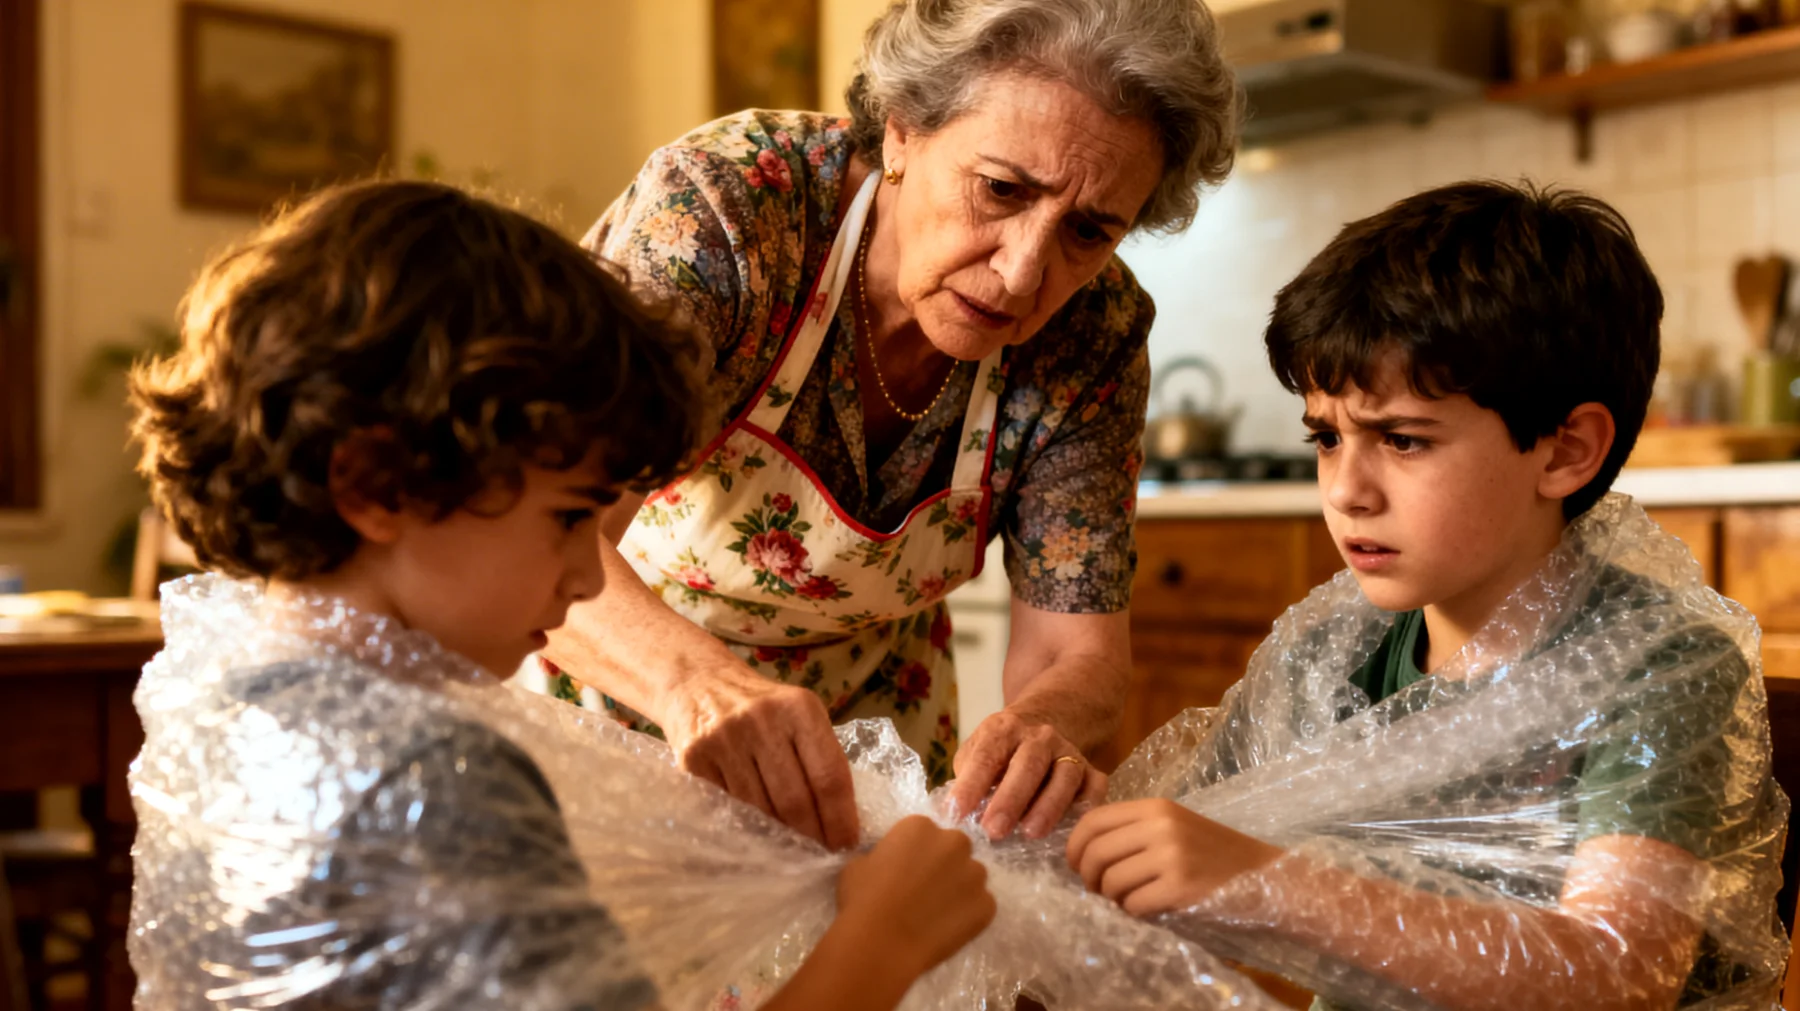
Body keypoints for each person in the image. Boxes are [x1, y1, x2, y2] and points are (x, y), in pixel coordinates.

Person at [125, 179, 997, 1010]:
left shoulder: (234, 701)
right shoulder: (438, 780)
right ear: (378, 485)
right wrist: (884, 938)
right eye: (570, 516)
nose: (589, 577)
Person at [1065, 182, 1789, 1009]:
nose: (1346, 491)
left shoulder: (1659, 670)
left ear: (1565, 451)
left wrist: (1263, 880)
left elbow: (1617, 972)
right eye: (1327, 437)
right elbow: (1188, 836)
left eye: (1402, 439)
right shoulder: (1331, 661)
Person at [543, 0, 1241, 849]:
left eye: (1088, 231)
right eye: (1001, 189)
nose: (1024, 274)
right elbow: (541, 535)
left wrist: (1043, 731)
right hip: (617, 668)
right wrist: (697, 685)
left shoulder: (1094, 330)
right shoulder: (730, 211)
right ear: (902, 131)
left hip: (880, 723)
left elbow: (1078, 652)